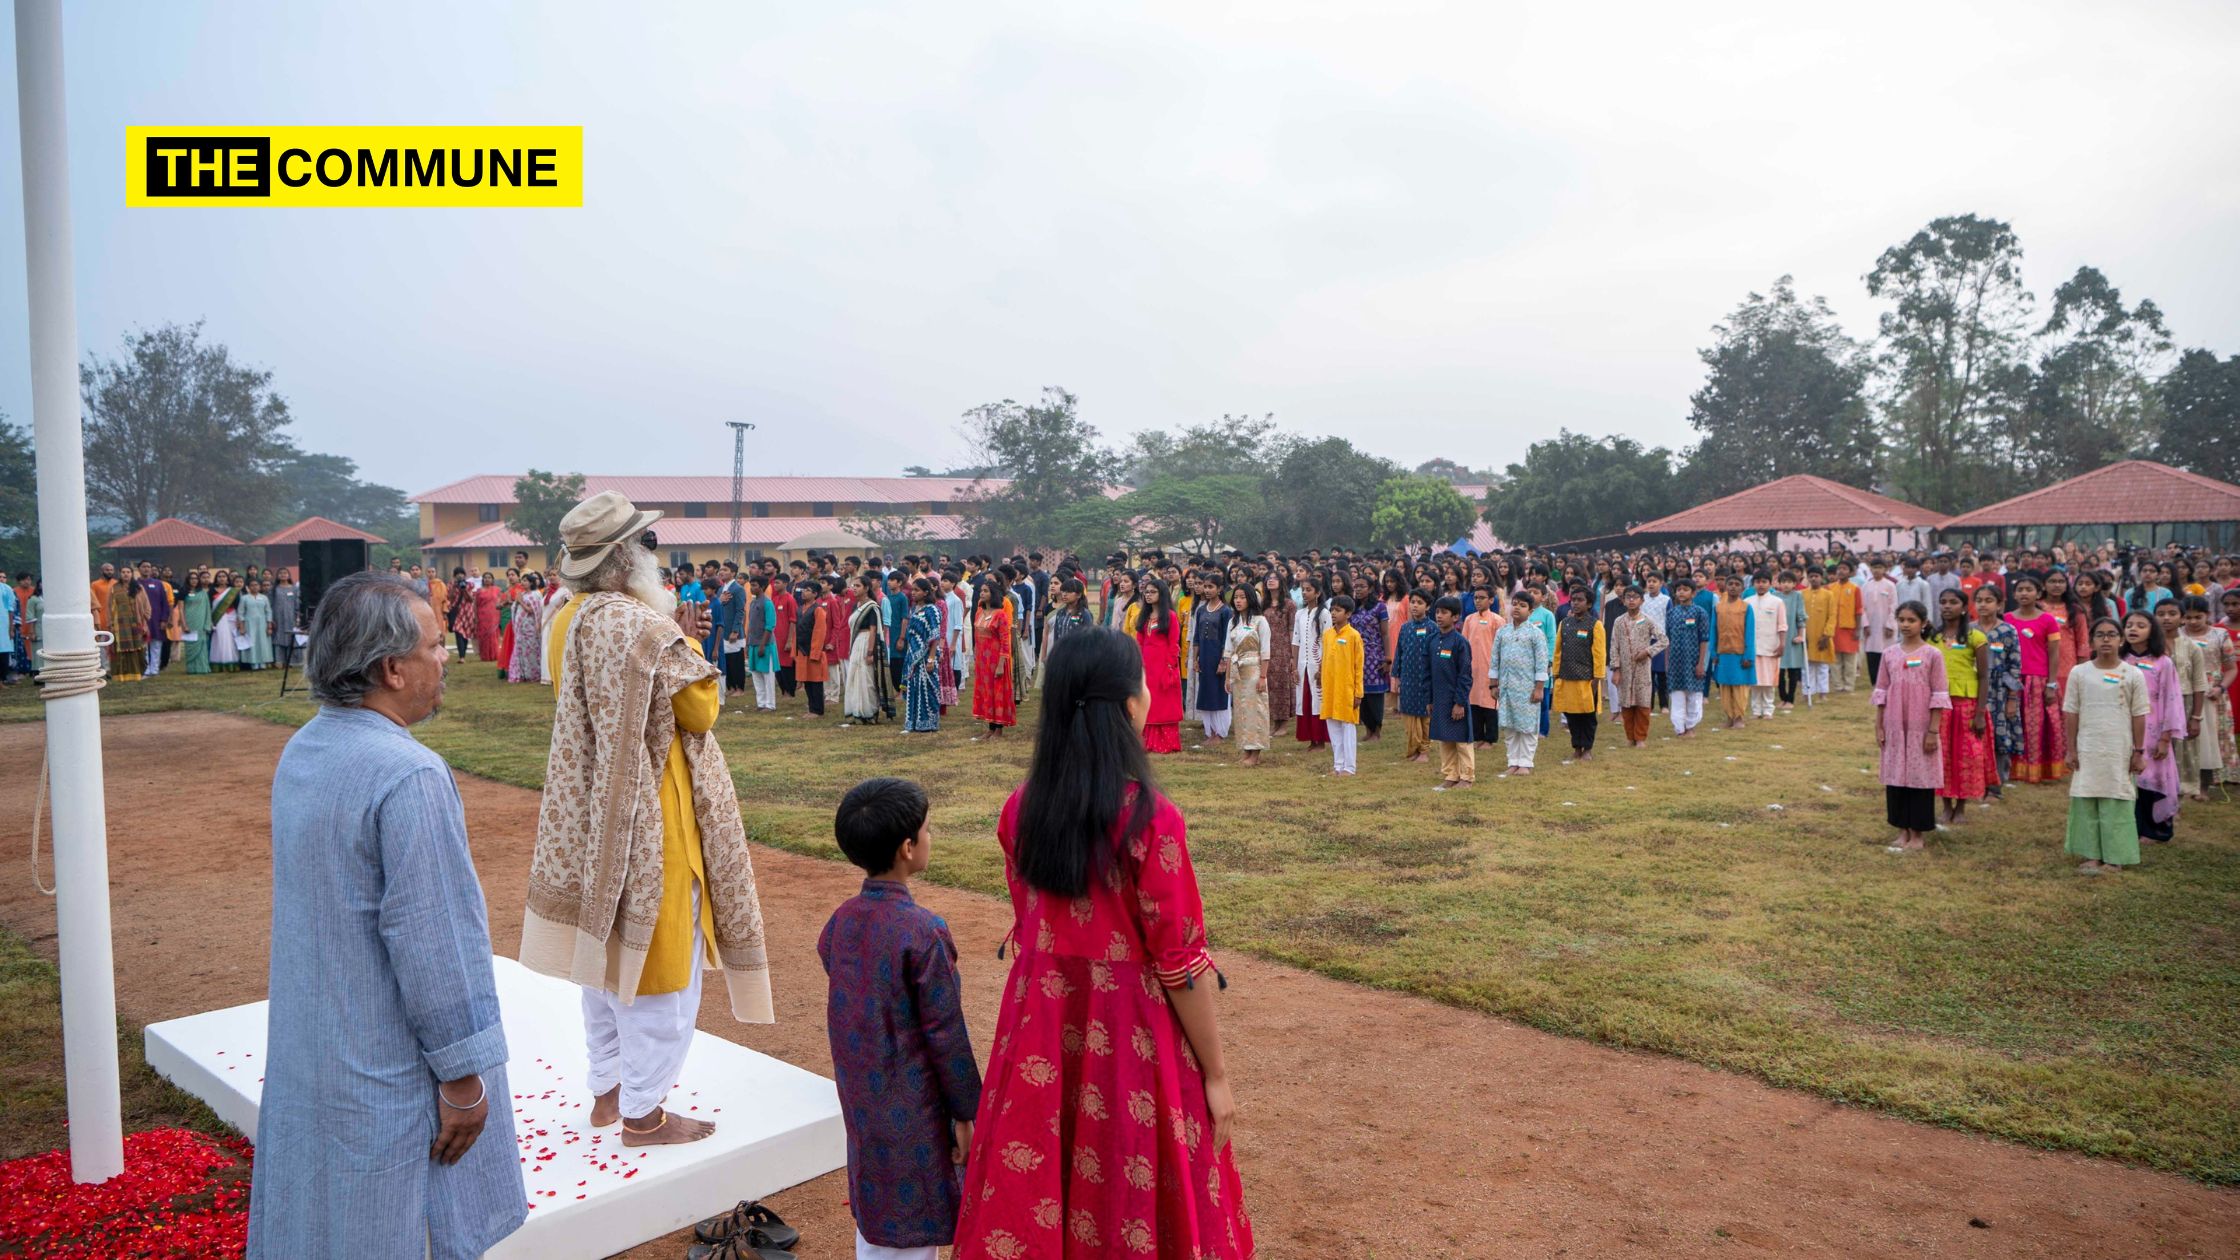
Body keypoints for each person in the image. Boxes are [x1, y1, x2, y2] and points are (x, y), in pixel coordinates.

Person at [246, 573, 525, 1260]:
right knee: (397, 1224)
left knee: (323, 1220)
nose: (445, 659)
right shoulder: (409, 774)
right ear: (393, 669)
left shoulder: (307, 746)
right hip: (387, 1066)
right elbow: (435, 941)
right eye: (435, 646)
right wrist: (463, 1078)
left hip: (321, 1047)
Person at [955, 627, 1252, 1260]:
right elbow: (1180, 964)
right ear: (1128, 704)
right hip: (1131, 1036)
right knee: (1132, 1180)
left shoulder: (1020, 808)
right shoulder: (1150, 817)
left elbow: (1034, 924)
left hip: (1040, 1028)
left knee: (1039, 1181)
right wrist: (1217, 1076)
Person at [525, 492, 774, 1148]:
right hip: (651, 814)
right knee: (663, 960)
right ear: (623, 559)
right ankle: (644, 1114)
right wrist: (682, 636)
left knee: (605, 955)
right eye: (643, 545)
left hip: (593, 809)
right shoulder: (643, 627)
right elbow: (701, 713)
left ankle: (607, 1094)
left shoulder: (568, 617)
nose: (651, 556)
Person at [820, 779, 982, 1260]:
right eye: (927, 830)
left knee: (877, 1199)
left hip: (861, 1090)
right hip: (914, 1101)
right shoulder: (924, 931)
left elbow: (832, 959)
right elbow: (946, 1033)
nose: (931, 837)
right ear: (908, 848)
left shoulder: (842, 919)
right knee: (912, 1218)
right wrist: (967, 1112)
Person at [2062, 617, 2151, 875]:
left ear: (2121, 640)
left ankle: (2115, 857)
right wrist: (2071, 749)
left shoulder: (2133, 674)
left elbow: (2139, 714)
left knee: (2116, 796)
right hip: (2087, 745)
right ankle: (2091, 854)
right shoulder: (2079, 673)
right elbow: (2071, 711)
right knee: (2087, 795)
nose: (2106, 639)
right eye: (2100, 635)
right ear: (2091, 641)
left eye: (2112, 634)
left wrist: (2138, 751)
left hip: (2119, 747)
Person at [1875, 601, 1948, 854]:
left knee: (1920, 776)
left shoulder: (1933, 655)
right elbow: (1881, 691)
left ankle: (1917, 833)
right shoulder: (1889, 654)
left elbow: (1939, 693)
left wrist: (1933, 731)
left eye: (1911, 620)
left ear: (1923, 623)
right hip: (1894, 724)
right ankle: (1901, 830)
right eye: (1902, 620)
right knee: (1896, 775)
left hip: (1921, 725)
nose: (1906, 625)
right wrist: (1879, 726)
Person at [2120, 610, 2186, 844]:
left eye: (2141, 625)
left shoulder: (2163, 662)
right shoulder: (2118, 661)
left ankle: (2154, 831)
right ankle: (2130, 827)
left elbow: (2172, 699)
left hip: (2154, 730)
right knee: (2127, 779)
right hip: (2123, 729)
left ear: (2152, 631)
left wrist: (2165, 738)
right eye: (2129, 625)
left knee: (2152, 778)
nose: (2133, 629)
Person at [1932, 589, 1990, 827]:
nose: (1947, 606)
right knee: (1942, 755)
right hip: (1940, 704)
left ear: (1965, 608)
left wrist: (1980, 713)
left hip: (1967, 704)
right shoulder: (1932, 637)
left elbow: (1984, 676)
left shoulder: (1976, 637)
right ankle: (1946, 806)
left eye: (1953, 602)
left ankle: (1961, 807)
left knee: (1966, 756)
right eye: (1943, 602)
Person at [2005, 576, 2068, 784]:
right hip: (2011, 679)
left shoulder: (2048, 620)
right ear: (2014, 594)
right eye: (2020, 589)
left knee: (2035, 727)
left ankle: (2035, 768)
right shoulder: (2006, 619)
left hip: (2037, 680)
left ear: (2038, 594)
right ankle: (2009, 768)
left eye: (2029, 589)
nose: (2024, 593)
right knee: (2011, 724)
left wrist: (2051, 684)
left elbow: (2054, 654)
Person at [2176, 595, 2235, 792]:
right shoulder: (2176, 635)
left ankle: (2207, 783)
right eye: (2188, 617)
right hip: (2184, 691)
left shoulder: (2220, 635)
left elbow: (2231, 668)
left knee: (2211, 737)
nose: (2193, 622)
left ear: (2207, 615)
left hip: (2212, 693)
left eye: (2198, 617)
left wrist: (2221, 688)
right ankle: (2184, 780)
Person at [1493, 589, 1551, 774]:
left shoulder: (1536, 634)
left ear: (1531, 611)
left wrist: (1539, 688)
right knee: (1510, 725)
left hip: (1528, 688)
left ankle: (1525, 763)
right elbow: (1495, 659)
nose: (1517, 608)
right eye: (1515, 604)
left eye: (1522, 605)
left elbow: (1542, 663)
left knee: (1527, 726)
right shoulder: (1503, 632)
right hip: (1507, 687)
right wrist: (1493, 684)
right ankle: (1513, 761)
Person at [1608, 586, 1668, 747]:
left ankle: (1640, 738)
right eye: (1628, 597)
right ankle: (1630, 737)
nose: (1631, 600)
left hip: (1642, 669)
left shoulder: (1648, 620)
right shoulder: (1619, 621)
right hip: (1624, 670)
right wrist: (1616, 669)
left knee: (1642, 703)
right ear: (1623, 600)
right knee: (1626, 704)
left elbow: (1664, 640)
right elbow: (1614, 646)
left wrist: (1648, 652)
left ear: (1642, 600)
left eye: (1635, 597)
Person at [1553, 586, 1606, 760]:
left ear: (1589, 604)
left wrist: (1597, 679)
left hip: (1587, 679)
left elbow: (1599, 654)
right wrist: (1556, 674)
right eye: (1573, 600)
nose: (1575, 603)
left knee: (1587, 716)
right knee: (1571, 715)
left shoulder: (1595, 625)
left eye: (1580, 600)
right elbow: (1558, 651)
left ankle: (1587, 749)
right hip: (1566, 677)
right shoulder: (1564, 623)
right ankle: (1577, 747)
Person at [1222, 584, 1273, 767]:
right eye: (1236, 597)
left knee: (1255, 710)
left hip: (1254, 670)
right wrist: (1228, 677)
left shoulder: (1260, 621)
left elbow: (1265, 651)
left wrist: (1263, 677)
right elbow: (1229, 651)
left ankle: (1255, 751)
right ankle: (1245, 748)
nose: (1238, 601)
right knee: (1241, 711)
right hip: (1238, 672)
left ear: (1250, 599)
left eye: (1242, 597)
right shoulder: (1233, 622)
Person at [1427, 594, 1474, 788]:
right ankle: (1450, 775)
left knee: (1461, 740)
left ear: (1455, 617)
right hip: (1439, 699)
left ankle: (1466, 777)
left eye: (1444, 612)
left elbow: (1465, 675)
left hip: (1456, 700)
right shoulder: (1432, 640)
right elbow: (1427, 673)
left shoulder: (1460, 642)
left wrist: (1459, 702)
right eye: (1437, 612)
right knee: (1444, 738)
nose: (1439, 616)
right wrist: (1430, 700)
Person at [1135, 578, 1185, 753]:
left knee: (1163, 700)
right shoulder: (1144, 616)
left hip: (1164, 664)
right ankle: (1147, 741)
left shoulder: (1170, 616)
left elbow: (1174, 643)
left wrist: (1170, 667)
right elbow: (1140, 642)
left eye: (1153, 592)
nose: (1148, 595)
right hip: (1147, 664)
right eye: (1146, 592)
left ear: (1161, 594)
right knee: (1147, 699)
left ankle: (1165, 742)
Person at [1320, 593, 1366, 775]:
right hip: (1330, 688)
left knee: (1347, 728)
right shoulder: (1327, 635)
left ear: (1348, 614)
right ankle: (1338, 765)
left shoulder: (1354, 636)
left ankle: (1349, 767)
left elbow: (1358, 666)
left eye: (1338, 610)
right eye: (1332, 609)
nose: (1333, 613)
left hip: (1347, 690)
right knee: (1333, 727)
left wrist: (1358, 692)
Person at [1664, 577, 1712, 737]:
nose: (1681, 593)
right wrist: (1667, 663)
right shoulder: (1671, 613)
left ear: (1693, 593)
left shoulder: (1700, 613)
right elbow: (1667, 639)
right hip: (1675, 663)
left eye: (1685, 590)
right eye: (1679, 590)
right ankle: (1679, 728)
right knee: (1677, 695)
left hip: (1693, 661)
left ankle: (1691, 726)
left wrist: (1701, 664)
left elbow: (1704, 639)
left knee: (1694, 695)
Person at [1392, 590, 1435, 763]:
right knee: (1409, 712)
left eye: (1419, 603)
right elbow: (1399, 652)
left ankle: (1424, 750)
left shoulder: (1432, 627)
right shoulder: (1405, 628)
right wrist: (1397, 675)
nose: (1415, 606)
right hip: (1408, 677)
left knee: (1424, 715)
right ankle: (1413, 749)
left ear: (1428, 607)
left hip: (1426, 678)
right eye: (1413, 602)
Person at [1461, 581, 1504, 748]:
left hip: (1490, 669)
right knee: (1474, 702)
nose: (1478, 601)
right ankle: (1478, 736)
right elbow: (1464, 643)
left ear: (1491, 600)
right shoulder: (1469, 619)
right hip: (1472, 669)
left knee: (1489, 703)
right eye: (1475, 598)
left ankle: (1490, 738)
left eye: (1482, 598)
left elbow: (1501, 647)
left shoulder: (1497, 621)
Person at [970, 577, 1015, 735]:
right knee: (986, 691)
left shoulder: (1000, 615)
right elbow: (977, 636)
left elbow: (1005, 641)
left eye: (986, 591)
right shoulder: (980, 612)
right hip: (983, 660)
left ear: (993, 594)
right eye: (981, 591)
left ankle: (998, 729)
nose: (981, 593)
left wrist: (1001, 664)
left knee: (997, 692)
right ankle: (990, 728)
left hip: (996, 659)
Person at [1710, 574, 1755, 729]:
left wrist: (1748, 655)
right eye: (1730, 584)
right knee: (1725, 687)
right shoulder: (1718, 607)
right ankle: (1729, 717)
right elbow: (1713, 631)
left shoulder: (1746, 608)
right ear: (1726, 586)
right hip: (1723, 653)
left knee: (1739, 687)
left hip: (1740, 654)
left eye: (1737, 584)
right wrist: (1713, 653)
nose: (1733, 587)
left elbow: (1750, 633)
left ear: (1742, 588)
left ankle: (1739, 717)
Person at [1745, 572, 1788, 719]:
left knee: (1769, 681)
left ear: (1770, 584)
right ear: (1753, 584)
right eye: (1757, 582)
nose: (1761, 585)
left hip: (1771, 647)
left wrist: (1782, 643)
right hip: (1753, 647)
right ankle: (1756, 710)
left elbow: (1782, 625)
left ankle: (1768, 710)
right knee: (1755, 681)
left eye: (1764, 581)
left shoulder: (1777, 602)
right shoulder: (1747, 602)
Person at [844, 582, 889, 722]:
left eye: (858, 586)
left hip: (867, 642)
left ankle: (869, 712)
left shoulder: (872, 607)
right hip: (857, 642)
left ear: (866, 588)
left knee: (866, 677)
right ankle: (856, 711)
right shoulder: (856, 606)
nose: (854, 588)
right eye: (853, 585)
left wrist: (870, 653)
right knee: (854, 676)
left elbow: (873, 630)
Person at [799, 577, 835, 718]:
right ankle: (811, 708)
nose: (804, 592)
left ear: (815, 594)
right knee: (807, 680)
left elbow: (819, 632)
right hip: (802, 650)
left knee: (816, 681)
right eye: (803, 590)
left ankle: (817, 710)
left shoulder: (818, 610)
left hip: (813, 651)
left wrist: (815, 652)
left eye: (807, 590)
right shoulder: (801, 609)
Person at [744, 575, 780, 712]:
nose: (751, 588)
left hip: (765, 645)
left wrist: (763, 645)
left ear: (762, 587)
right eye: (751, 585)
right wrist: (747, 644)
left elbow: (770, 626)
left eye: (754, 585)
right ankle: (761, 703)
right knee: (756, 674)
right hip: (753, 644)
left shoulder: (767, 603)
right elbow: (751, 625)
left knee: (767, 675)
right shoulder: (753, 603)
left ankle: (770, 704)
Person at [241, 578, 275, 670]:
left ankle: (263, 662)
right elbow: (240, 613)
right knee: (252, 642)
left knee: (263, 642)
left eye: (256, 585)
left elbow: (268, 611)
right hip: (249, 623)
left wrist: (269, 626)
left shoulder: (264, 598)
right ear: (248, 587)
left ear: (260, 587)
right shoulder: (244, 598)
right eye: (252, 585)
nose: (254, 587)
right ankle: (254, 662)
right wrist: (242, 627)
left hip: (263, 623)